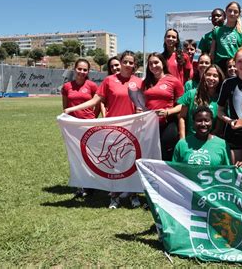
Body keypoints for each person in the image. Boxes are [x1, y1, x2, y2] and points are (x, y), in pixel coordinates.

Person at [64, 50, 143, 209]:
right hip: (113, 128)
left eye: (131, 62)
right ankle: (114, 198)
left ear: (134, 65)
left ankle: (133, 196)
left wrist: (141, 111)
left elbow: (142, 104)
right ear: (120, 63)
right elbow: (95, 100)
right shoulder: (109, 80)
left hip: (132, 128)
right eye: (125, 61)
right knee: (113, 164)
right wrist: (71, 110)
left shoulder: (138, 82)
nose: (127, 65)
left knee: (132, 162)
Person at [62, 58, 100, 199]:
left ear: (88, 71)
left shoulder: (91, 85)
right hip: (73, 127)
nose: (82, 72)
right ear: (74, 69)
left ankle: (92, 184)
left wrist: (93, 118)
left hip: (88, 126)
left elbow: (98, 102)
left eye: (85, 70)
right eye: (80, 69)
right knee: (77, 156)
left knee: (90, 156)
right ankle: (81, 184)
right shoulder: (67, 87)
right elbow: (65, 107)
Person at [143, 52, 184, 161]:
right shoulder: (146, 82)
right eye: (150, 64)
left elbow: (182, 105)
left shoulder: (173, 81)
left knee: (166, 156)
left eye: (156, 62)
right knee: (150, 156)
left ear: (163, 63)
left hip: (167, 124)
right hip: (150, 126)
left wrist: (167, 112)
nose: (153, 66)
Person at [178, 64, 224, 139]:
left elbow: (219, 127)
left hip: (210, 141)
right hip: (190, 140)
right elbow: (182, 117)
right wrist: (182, 139)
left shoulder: (221, 99)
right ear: (204, 76)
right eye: (208, 75)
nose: (211, 78)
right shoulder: (191, 94)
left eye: (215, 76)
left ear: (220, 79)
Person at [210, 1, 242, 73]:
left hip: (235, 65)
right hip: (219, 66)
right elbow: (212, 52)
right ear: (225, 12)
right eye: (230, 11)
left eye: (235, 11)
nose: (232, 13)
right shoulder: (217, 30)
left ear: (239, 14)